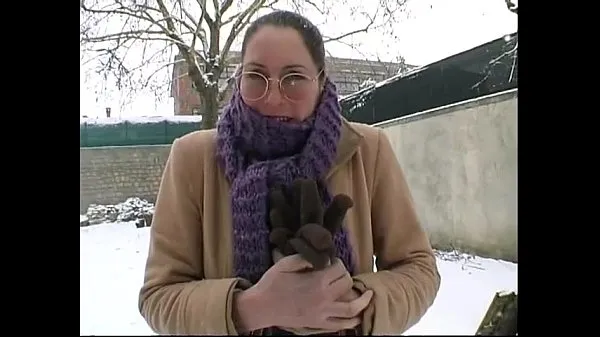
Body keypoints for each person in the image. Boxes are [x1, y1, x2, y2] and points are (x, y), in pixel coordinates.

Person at [138, 9, 441, 336]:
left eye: (294, 77)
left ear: (321, 81)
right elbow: (159, 295)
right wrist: (253, 308)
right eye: (256, 76)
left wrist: (349, 305)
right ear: (240, 78)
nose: (272, 98)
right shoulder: (193, 158)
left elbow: (418, 269)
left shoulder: (367, 150)